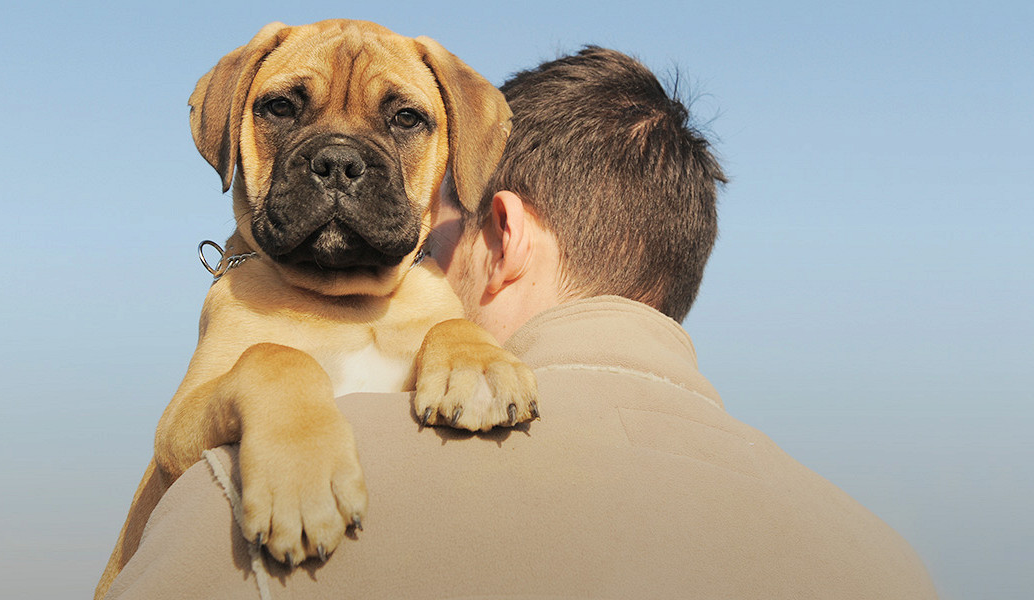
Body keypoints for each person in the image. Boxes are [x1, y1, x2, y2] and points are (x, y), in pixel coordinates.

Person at [105, 47, 937, 599]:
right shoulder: (891, 564)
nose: (418, 270)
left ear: (500, 235)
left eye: (438, 241)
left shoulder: (249, 494)